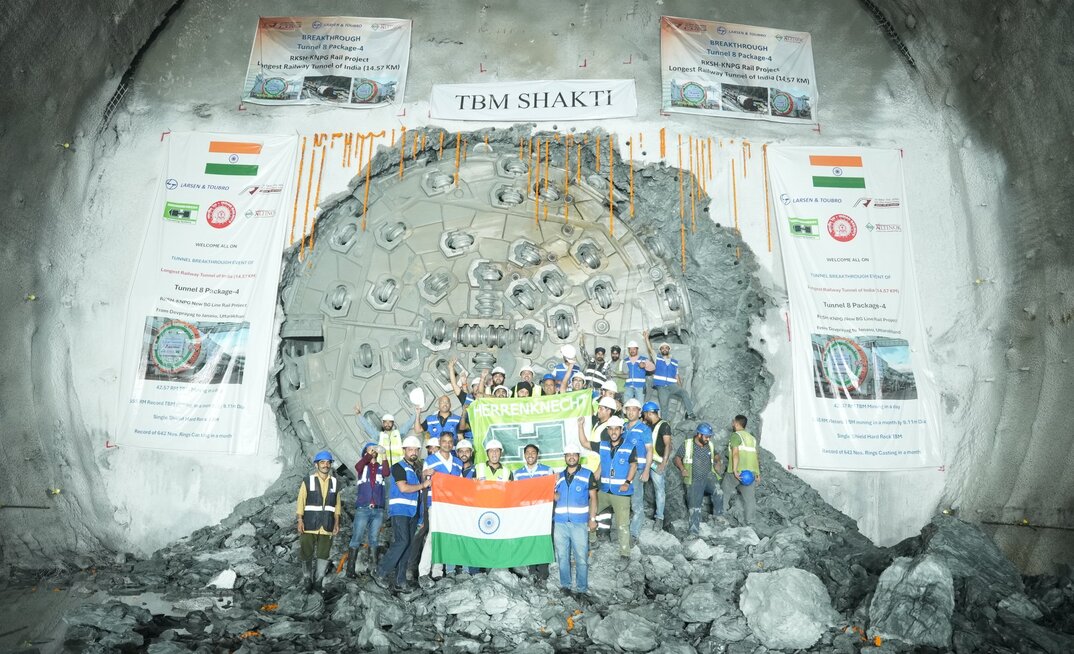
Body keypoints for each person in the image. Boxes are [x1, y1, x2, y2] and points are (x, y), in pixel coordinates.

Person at [376, 436, 431, 591]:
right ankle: (380, 571)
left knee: (407, 545)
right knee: (402, 542)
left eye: (416, 449)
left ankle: (401, 582)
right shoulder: (398, 467)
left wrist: (420, 515)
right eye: (410, 449)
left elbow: (418, 496)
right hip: (400, 510)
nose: (413, 452)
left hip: (412, 512)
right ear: (404, 451)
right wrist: (423, 484)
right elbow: (403, 488)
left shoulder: (416, 468)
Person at [414, 431, 463, 585]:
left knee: (444, 537)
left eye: (450, 441)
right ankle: (423, 571)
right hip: (435, 503)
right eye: (444, 441)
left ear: (452, 444)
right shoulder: (430, 460)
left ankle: (437, 571)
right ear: (439, 442)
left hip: (451, 505)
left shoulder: (457, 462)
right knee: (432, 536)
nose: (447, 444)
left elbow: (461, 484)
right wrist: (425, 474)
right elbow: (425, 479)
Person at [554, 443, 598, 595]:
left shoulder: (587, 474)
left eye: (574, 454)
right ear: (564, 457)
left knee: (581, 557)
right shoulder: (557, 476)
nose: (571, 457)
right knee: (562, 557)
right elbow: (555, 496)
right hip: (560, 523)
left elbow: (593, 497)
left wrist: (592, 518)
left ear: (579, 457)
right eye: (568, 454)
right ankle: (565, 585)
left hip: (579, 523)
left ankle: (582, 589)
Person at [297, 450, 341, 592]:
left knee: (323, 554)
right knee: (306, 553)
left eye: (328, 462)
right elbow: (301, 501)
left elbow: (337, 505)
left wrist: (336, 523)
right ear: (316, 465)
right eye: (322, 462)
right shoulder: (308, 480)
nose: (325, 465)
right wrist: (300, 520)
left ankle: (318, 581)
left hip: (327, 525)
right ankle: (307, 579)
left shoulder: (335, 483)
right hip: (309, 524)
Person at [593, 416, 637, 560]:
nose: (613, 432)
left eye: (616, 429)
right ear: (608, 430)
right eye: (611, 429)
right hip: (605, 490)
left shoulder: (629, 446)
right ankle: (591, 539)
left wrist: (627, 482)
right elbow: (585, 443)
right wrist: (580, 426)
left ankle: (625, 554)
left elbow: (633, 465)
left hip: (621, 492)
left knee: (622, 524)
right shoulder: (603, 445)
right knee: (591, 513)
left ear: (621, 430)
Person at [673, 423, 723, 537]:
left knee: (718, 492)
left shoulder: (709, 444)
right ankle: (693, 532)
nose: (708, 439)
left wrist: (718, 462)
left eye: (709, 436)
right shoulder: (688, 445)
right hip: (693, 480)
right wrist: (682, 469)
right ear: (699, 434)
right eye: (706, 436)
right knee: (695, 507)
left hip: (708, 477)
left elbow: (716, 455)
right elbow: (677, 458)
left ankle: (718, 517)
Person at [347, 442, 388, 578]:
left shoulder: (381, 468)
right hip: (363, 509)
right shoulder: (362, 467)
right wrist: (368, 454)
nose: (372, 452)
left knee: (374, 539)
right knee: (356, 538)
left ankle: (373, 569)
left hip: (378, 510)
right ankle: (350, 570)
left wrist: (384, 455)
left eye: (374, 450)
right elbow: (358, 466)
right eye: (369, 451)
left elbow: (387, 472)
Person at [515, 444, 554, 581]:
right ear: (524, 455)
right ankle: (532, 569)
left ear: (538, 455)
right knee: (529, 539)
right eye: (527, 452)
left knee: (542, 539)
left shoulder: (547, 471)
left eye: (533, 452)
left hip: (542, 512)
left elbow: (552, 491)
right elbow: (515, 494)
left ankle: (543, 569)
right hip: (526, 513)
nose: (530, 455)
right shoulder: (517, 473)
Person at [644, 330, 698, 420]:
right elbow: (650, 350)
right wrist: (646, 338)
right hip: (662, 387)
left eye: (666, 348)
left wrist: (680, 388)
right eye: (662, 348)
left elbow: (676, 376)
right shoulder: (657, 359)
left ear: (669, 350)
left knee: (684, 393)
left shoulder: (674, 362)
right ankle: (664, 423)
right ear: (660, 350)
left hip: (672, 386)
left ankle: (690, 413)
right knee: (664, 406)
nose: (664, 349)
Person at [622, 398, 654, 539]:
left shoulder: (644, 429)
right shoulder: (623, 427)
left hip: (638, 470)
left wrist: (647, 470)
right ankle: (622, 530)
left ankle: (634, 534)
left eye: (634, 409)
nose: (631, 412)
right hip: (623, 470)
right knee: (623, 501)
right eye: (628, 409)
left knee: (636, 502)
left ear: (639, 412)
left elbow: (650, 451)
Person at [353, 401, 416, 469]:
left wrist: (417, 413)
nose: (387, 424)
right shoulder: (380, 436)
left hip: (400, 467)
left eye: (390, 422)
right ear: (382, 424)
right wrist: (359, 414)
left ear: (393, 423)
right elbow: (368, 427)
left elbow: (408, 424)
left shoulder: (398, 434)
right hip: (385, 468)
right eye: (385, 422)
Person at [721, 415, 760, 525]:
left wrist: (735, 470)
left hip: (737, 472)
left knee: (724, 491)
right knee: (749, 499)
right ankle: (750, 522)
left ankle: (721, 515)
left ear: (737, 423)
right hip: (750, 474)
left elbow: (735, 453)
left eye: (733, 422)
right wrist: (757, 473)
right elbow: (756, 456)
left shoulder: (736, 435)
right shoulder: (752, 438)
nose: (732, 423)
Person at [642, 402, 673, 531]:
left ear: (649, 413)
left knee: (659, 490)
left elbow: (668, 445)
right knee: (641, 487)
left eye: (644, 414)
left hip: (656, 463)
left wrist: (664, 462)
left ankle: (659, 518)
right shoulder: (648, 425)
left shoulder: (664, 425)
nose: (643, 417)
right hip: (645, 461)